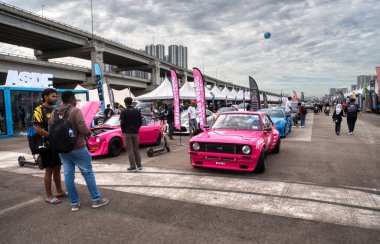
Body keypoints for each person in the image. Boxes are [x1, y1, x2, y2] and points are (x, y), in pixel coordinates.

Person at [50, 91, 109, 211]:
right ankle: (96, 200)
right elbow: (83, 128)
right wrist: (89, 133)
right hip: (78, 147)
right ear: (71, 99)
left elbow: (50, 129)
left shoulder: (54, 112)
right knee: (87, 173)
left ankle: (74, 203)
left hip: (62, 149)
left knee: (68, 175)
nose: (76, 101)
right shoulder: (75, 111)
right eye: (75, 99)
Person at [33, 88, 65, 205]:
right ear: (46, 97)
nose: (55, 98)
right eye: (53, 96)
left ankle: (60, 191)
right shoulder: (38, 110)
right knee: (49, 170)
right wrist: (52, 136)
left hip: (56, 145)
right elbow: (38, 129)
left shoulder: (54, 110)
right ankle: (49, 196)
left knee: (57, 168)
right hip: (46, 146)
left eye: (56, 96)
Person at [120, 97, 143, 172]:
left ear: (125, 103)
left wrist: (123, 131)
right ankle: (139, 165)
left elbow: (122, 123)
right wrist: (136, 128)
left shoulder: (124, 111)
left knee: (130, 150)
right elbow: (140, 122)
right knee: (136, 149)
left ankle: (133, 166)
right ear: (131, 102)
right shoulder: (137, 111)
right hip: (136, 133)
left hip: (127, 133)